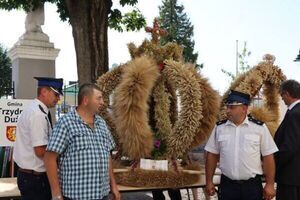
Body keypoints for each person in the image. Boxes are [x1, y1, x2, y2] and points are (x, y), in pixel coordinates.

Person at [44, 83, 120, 200]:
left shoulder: (102, 123)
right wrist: (56, 194)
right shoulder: (66, 123)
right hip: (76, 196)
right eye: (99, 98)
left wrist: (113, 185)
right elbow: (49, 158)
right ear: (86, 100)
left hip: (102, 195)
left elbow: (107, 156)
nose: (102, 102)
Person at [205, 90, 278, 200]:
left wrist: (270, 184)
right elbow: (212, 155)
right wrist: (209, 181)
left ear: (244, 108)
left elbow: (268, 157)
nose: (228, 110)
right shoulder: (219, 128)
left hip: (252, 187)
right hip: (228, 186)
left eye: (232, 107)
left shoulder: (259, 128)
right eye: (227, 107)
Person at [13, 77, 63, 200]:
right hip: (35, 178)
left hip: (30, 176)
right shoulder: (38, 115)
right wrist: (62, 153)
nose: (58, 99)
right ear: (44, 92)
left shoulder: (36, 110)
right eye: (56, 94)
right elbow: (40, 151)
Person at [274, 79, 300, 200]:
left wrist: (273, 162)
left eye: (282, 95)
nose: (282, 99)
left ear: (287, 94)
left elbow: (290, 146)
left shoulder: (294, 114)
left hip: (290, 176)